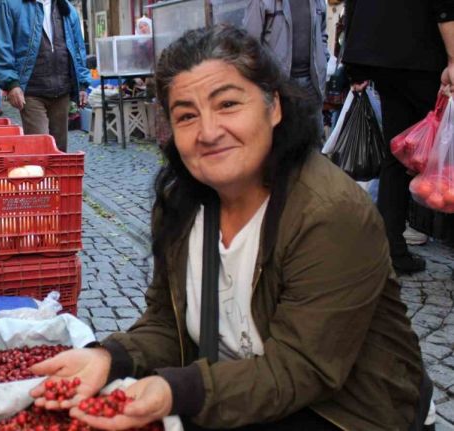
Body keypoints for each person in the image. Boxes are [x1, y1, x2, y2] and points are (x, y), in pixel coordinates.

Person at [28, 25, 434, 431]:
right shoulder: (181, 204)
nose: (208, 132)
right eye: (186, 115)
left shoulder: (328, 213)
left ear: (273, 107)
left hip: (344, 410)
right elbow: (167, 321)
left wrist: (175, 391)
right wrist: (109, 358)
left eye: (227, 105)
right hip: (239, 392)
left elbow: (302, 367)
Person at [342, 0, 454, 274]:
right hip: (425, 55)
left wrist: (355, 65)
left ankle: (392, 248)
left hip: (383, 58)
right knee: (446, 153)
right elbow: (445, 7)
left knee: (398, 153)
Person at [0, 0, 92, 152]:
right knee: (40, 150)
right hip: (31, 93)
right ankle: (37, 175)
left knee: (59, 152)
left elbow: (78, 48)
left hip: (62, 91)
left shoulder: (66, 8)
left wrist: (82, 84)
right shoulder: (9, 5)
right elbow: (1, 46)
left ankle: (57, 177)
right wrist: (11, 84)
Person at [243, 0, 329, 130]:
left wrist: (323, 58)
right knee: (283, 141)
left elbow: (322, 33)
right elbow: (250, 44)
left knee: (314, 140)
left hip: (312, 85)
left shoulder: (318, 2)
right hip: (279, 87)